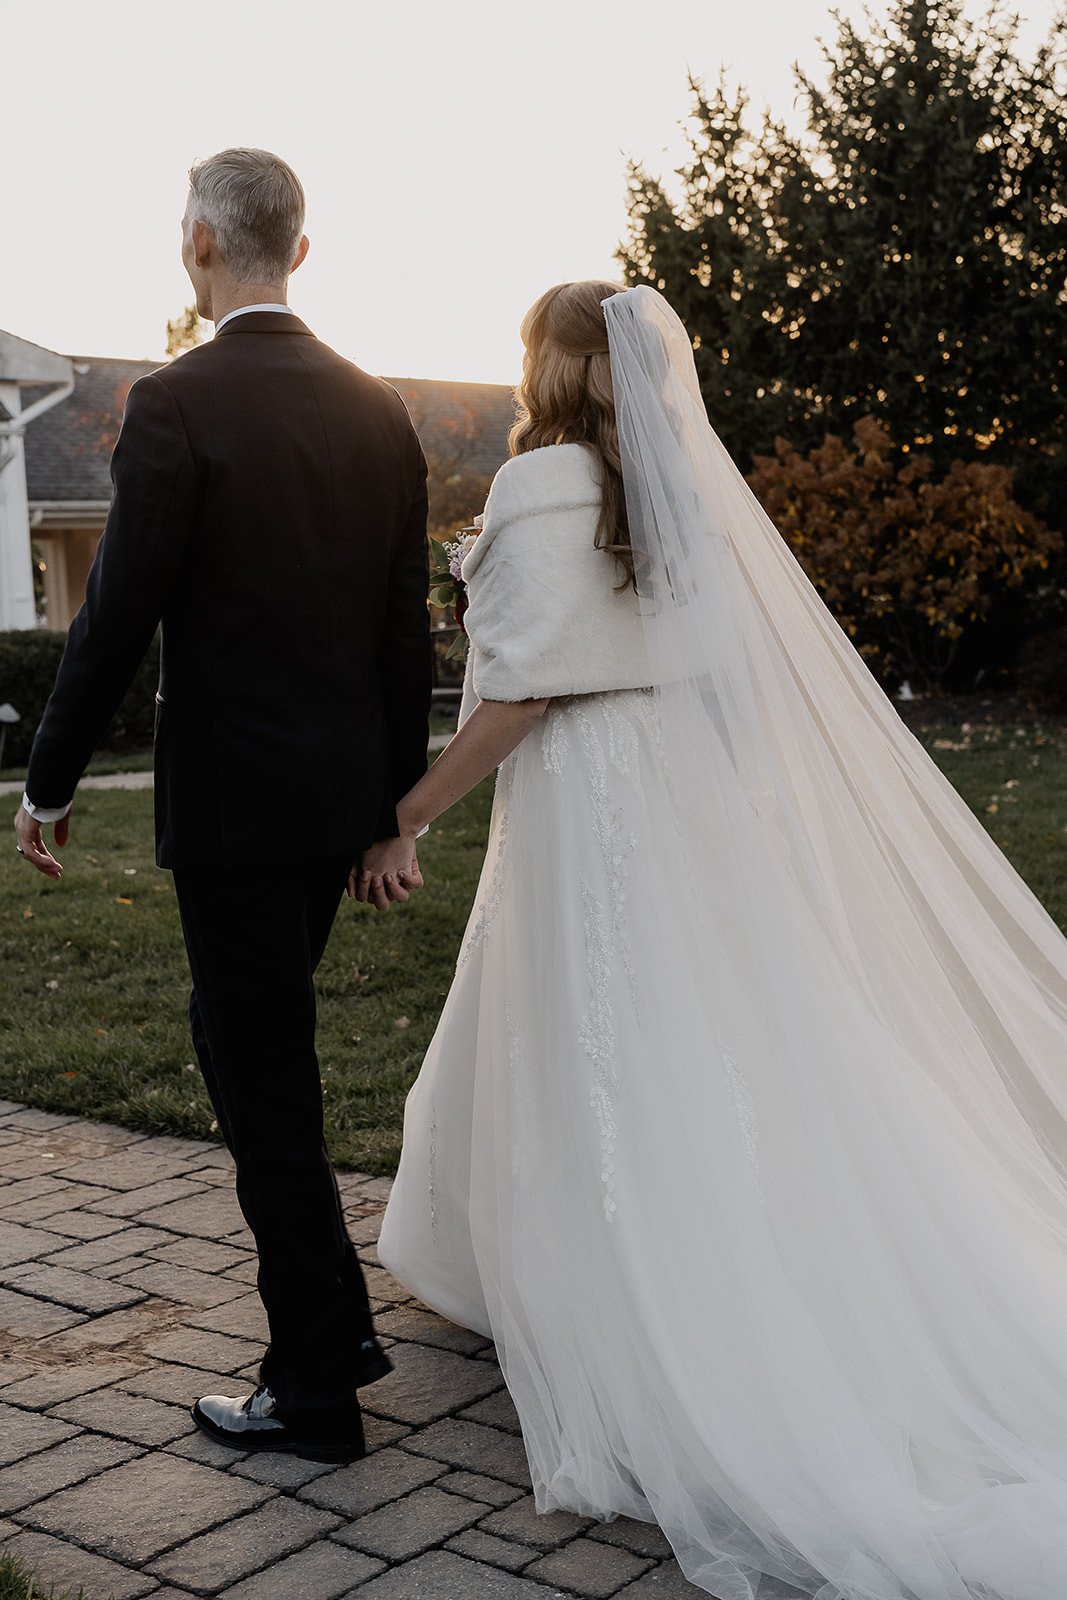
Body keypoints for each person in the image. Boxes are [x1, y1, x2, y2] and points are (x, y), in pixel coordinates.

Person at [367, 280, 1067, 1598]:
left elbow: (520, 694)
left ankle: (634, 1310)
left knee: (595, 1034)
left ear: (549, 365)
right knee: (709, 1029)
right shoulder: (677, 486)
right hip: (677, 790)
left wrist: (404, 814)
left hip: (581, 796)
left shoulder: (540, 486)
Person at [14, 148, 432, 1463]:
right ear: (296, 251)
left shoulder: (175, 405)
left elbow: (116, 613)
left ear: (201, 244)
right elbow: (403, 636)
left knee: (261, 1081)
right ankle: (316, 1344)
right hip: (333, 806)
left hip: (238, 815)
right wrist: (391, 812)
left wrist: (50, 777)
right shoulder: (379, 410)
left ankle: (318, 1385)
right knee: (260, 1059)